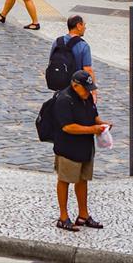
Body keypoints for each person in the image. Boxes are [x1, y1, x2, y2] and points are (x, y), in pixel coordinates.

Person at [51, 71, 110, 232]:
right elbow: (68, 127)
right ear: (75, 85)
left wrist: (102, 124)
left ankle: (83, 215)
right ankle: (63, 217)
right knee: (64, 180)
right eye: (86, 89)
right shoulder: (64, 100)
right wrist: (93, 129)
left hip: (85, 147)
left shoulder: (87, 97)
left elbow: (94, 115)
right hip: (68, 149)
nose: (89, 92)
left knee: (83, 180)